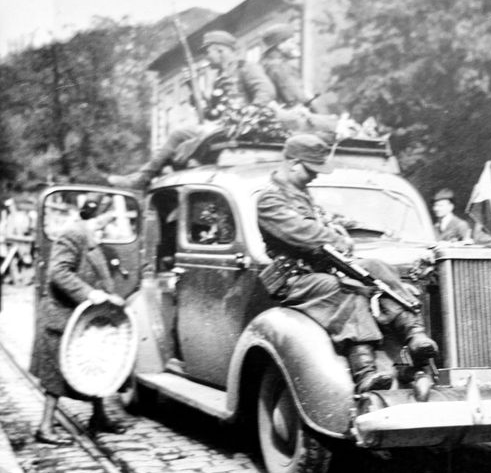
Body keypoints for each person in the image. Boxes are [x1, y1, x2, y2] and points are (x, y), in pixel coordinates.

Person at [257, 134, 438, 393]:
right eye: (311, 169)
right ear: (294, 164)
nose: (315, 176)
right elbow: (302, 233)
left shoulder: (300, 194)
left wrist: (345, 226)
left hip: (321, 271)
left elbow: (323, 220)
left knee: (376, 267)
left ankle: (414, 334)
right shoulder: (270, 200)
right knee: (345, 289)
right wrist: (336, 238)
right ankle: (364, 371)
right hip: (297, 280)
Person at [108, 30, 276, 191]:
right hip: (221, 127)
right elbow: (212, 113)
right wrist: (193, 89)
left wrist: (249, 113)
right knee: (180, 144)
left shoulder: (245, 68)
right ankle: (148, 178)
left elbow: (266, 91)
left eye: (208, 52)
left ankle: (142, 178)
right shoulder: (220, 78)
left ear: (220, 50)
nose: (207, 57)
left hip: (238, 128)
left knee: (178, 135)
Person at [30, 195, 127, 445]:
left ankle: (99, 417)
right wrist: (91, 294)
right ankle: (45, 427)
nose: (109, 227)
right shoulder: (73, 234)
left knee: (96, 365)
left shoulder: (90, 234)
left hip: (82, 315)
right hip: (63, 314)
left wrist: (108, 298)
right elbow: (58, 272)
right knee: (57, 375)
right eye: (107, 221)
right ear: (98, 217)